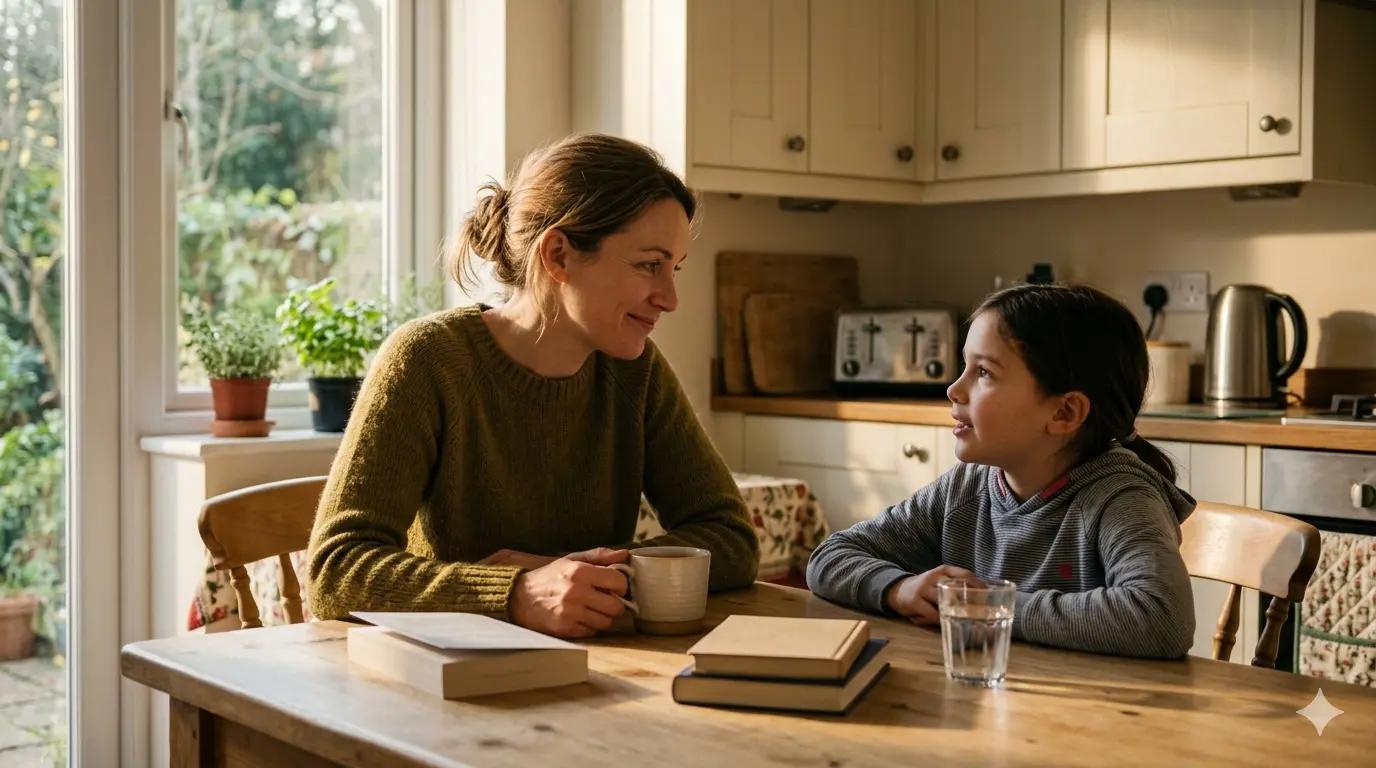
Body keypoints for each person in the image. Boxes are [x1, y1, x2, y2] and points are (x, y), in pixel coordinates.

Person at [307, 133, 759, 638]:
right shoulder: (427, 360)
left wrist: (576, 578)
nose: (669, 298)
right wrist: (516, 592)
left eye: (672, 269)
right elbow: (335, 573)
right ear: (559, 255)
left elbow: (731, 537)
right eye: (649, 265)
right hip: (442, 686)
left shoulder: (638, 371)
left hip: (598, 671)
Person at [806, 283, 1196, 659]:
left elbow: (1160, 618)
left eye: (984, 373)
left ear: (1064, 413)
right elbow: (829, 557)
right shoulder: (965, 489)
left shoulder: (1118, 497)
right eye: (965, 366)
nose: (953, 390)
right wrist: (899, 589)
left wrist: (990, 608)